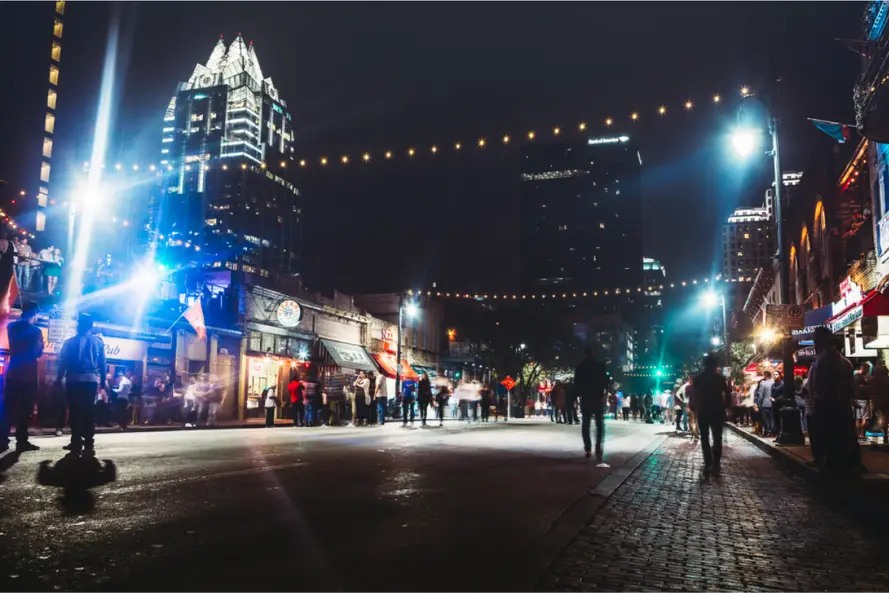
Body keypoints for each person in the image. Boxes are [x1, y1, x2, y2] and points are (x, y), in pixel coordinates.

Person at [808, 326, 861, 474]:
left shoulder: (825, 361)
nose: (815, 343)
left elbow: (820, 386)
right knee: (843, 437)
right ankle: (843, 463)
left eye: (816, 340)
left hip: (827, 405)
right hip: (839, 405)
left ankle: (832, 465)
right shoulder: (843, 362)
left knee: (829, 437)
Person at [56, 314, 107, 455]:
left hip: (73, 380)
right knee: (88, 411)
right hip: (90, 380)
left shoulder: (69, 342)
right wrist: (103, 381)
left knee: (75, 411)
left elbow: (63, 363)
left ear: (78, 325)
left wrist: (58, 378)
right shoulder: (98, 342)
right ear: (91, 326)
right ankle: (89, 442)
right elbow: (102, 364)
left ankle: (76, 441)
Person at [0, 301, 44, 453]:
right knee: (25, 410)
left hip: (13, 371)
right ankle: (22, 440)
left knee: (8, 408)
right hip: (29, 374)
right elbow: (38, 352)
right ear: (34, 313)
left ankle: (2, 438)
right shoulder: (36, 331)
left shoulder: (11, 327)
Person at [691, 354, 732, 476]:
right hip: (717, 410)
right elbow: (728, 394)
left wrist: (695, 406)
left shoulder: (698, 378)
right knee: (717, 436)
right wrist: (727, 407)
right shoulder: (719, 378)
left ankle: (708, 461)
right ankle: (716, 462)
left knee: (704, 436)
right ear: (715, 364)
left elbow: (694, 395)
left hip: (703, 410)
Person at [575, 345, 609, 461]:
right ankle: (598, 449)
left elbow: (577, 383)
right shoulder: (600, 366)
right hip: (597, 398)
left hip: (586, 398)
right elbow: (606, 382)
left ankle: (588, 448)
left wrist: (580, 395)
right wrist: (603, 394)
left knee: (586, 424)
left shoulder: (580, 366)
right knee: (599, 425)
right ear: (594, 353)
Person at [853, 362, 871, 440]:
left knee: (858, 418)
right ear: (864, 368)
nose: (868, 371)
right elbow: (863, 388)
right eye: (867, 369)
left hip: (855, 400)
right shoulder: (861, 378)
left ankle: (857, 434)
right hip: (863, 400)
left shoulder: (854, 377)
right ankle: (862, 433)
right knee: (866, 418)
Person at [755, 371, 775, 437]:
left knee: (765, 419)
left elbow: (760, 395)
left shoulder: (763, 384)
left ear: (765, 375)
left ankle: (768, 430)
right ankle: (772, 431)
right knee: (771, 418)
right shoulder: (773, 383)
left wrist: (758, 404)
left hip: (765, 403)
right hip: (772, 403)